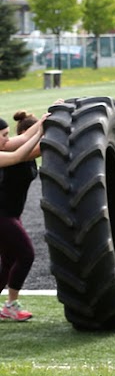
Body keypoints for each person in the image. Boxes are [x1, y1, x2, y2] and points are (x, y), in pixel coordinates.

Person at [0, 110, 47, 322]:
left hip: (10, 214)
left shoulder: (8, 145)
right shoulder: (9, 155)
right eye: (4, 135)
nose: (7, 139)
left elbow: (26, 137)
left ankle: (9, 307)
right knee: (26, 255)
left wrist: (47, 117)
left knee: (8, 260)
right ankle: (10, 305)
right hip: (2, 216)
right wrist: (43, 132)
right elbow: (24, 152)